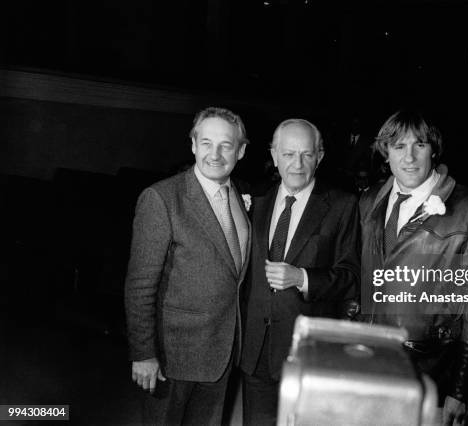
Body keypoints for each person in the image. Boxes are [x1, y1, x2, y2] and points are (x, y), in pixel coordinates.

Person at [359, 109, 468, 425]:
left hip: (430, 371)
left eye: (419, 145)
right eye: (398, 146)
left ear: (433, 149)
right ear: (386, 153)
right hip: (371, 364)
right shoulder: (369, 200)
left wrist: (462, 389)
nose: (409, 157)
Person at [124, 107, 251, 425]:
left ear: (241, 150)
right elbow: (140, 285)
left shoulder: (235, 194)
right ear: (193, 145)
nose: (215, 154)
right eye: (206, 143)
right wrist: (143, 353)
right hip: (172, 358)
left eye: (226, 145)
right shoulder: (162, 199)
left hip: (221, 353)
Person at [240, 118, 360, 425]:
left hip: (309, 352)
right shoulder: (255, 201)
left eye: (307, 154)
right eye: (289, 154)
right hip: (256, 349)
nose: (297, 163)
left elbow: (350, 277)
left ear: (319, 157)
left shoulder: (342, 205)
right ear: (274, 155)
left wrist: (301, 278)